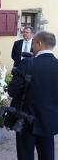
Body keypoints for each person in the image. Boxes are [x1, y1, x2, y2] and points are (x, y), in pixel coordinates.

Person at [8, 31, 58, 160]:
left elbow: (12, 92)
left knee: (25, 156)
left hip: (26, 121)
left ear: (39, 43)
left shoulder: (27, 63)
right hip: (49, 121)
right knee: (47, 156)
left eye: (34, 43)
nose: (32, 47)